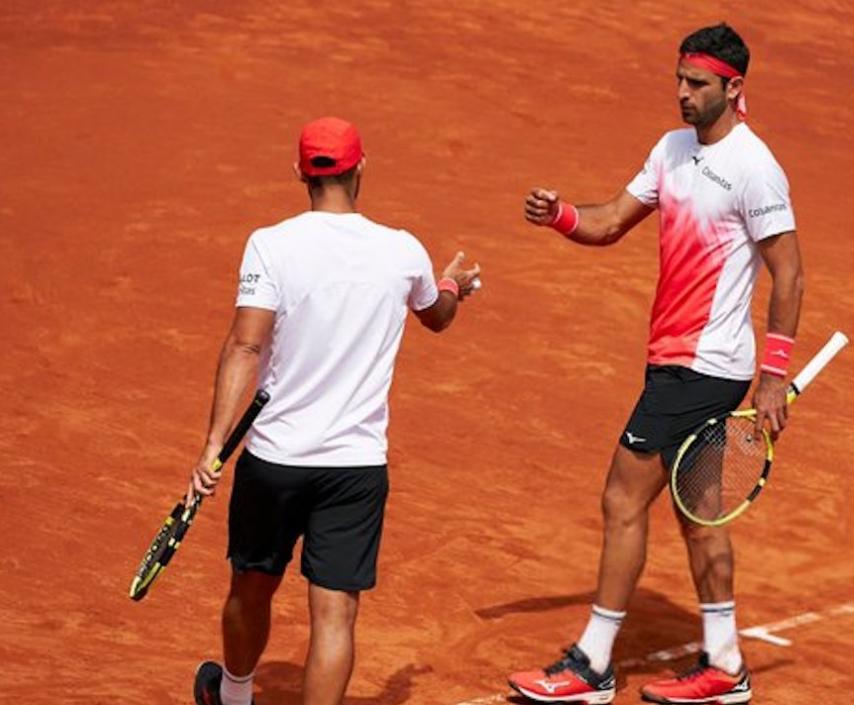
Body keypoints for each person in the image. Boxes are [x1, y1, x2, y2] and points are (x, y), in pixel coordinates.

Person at [506, 22, 804, 705]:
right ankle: (724, 664)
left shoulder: (756, 168)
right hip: (674, 357)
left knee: (620, 496)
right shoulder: (671, 151)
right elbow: (610, 221)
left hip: (704, 365)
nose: (682, 94)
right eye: (679, 80)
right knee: (699, 511)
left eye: (697, 84)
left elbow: (789, 272)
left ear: (734, 88)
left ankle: (592, 664)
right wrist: (560, 216)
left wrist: (776, 373)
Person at [186, 116, 481, 705]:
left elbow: (245, 344)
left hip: (274, 460)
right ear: (360, 168)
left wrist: (215, 444)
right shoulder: (402, 251)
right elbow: (437, 315)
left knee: (250, 588)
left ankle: (235, 696)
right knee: (335, 618)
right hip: (355, 469)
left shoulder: (271, 245)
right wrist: (450, 286)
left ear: (301, 173)